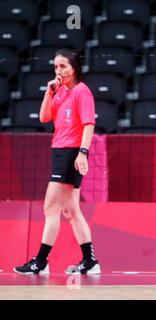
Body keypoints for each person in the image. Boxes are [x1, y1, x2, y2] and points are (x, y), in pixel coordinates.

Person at [14, 49, 100, 275]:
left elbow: (89, 124)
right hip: (59, 151)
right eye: (56, 67)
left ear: (74, 68)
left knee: (50, 207)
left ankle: (40, 262)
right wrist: (48, 91)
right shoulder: (59, 91)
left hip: (72, 152)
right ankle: (90, 261)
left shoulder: (82, 91)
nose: (59, 71)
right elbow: (44, 117)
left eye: (63, 66)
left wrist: (82, 152)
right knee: (71, 210)